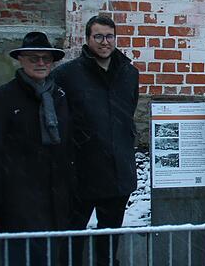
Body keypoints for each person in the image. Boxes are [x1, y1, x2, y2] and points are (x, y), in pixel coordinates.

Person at [0, 32, 72, 265]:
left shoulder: (58, 96)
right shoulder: (3, 98)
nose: (41, 63)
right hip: (18, 203)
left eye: (46, 59)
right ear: (21, 60)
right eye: (33, 58)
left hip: (56, 202)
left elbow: (67, 147)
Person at [54, 15, 140, 266]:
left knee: (110, 235)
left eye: (110, 36)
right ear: (88, 39)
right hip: (83, 170)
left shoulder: (129, 73)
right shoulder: (67, 75)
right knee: (72, 235)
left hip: (118, 169)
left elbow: (128, 113)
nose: (105, 42)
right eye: (99, 36)